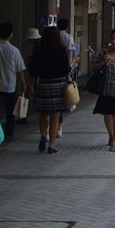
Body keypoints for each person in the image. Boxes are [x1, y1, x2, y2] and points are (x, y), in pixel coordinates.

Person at [0, 22, 27, 140]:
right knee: (10, 112)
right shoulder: (14, 50)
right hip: (9, 85)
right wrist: (23, 84)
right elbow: (20, 69)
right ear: (11, 34)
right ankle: (8, 134)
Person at [30, 26, 72, 154]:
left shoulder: (39, 51)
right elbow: (67, 69)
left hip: (43, 84)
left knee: (43, 113)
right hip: (58, 85)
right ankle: (52, 144)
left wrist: (32, 85)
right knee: (55, 116)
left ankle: (43, 135)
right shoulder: (61, 50)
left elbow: (34, 70)